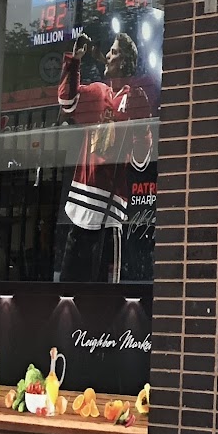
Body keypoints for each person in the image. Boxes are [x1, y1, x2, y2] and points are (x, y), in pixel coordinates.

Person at [53, 28, 158, 282]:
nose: (108, 56)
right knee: (68, 287)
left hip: (109, 214)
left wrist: (140, 126)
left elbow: (141, 159)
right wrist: (74, 60)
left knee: (104, 293)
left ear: (124, 62)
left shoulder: (135, 96)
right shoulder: (98, 92)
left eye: (113, 52)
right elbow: (67, 101)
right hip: (80, 207)